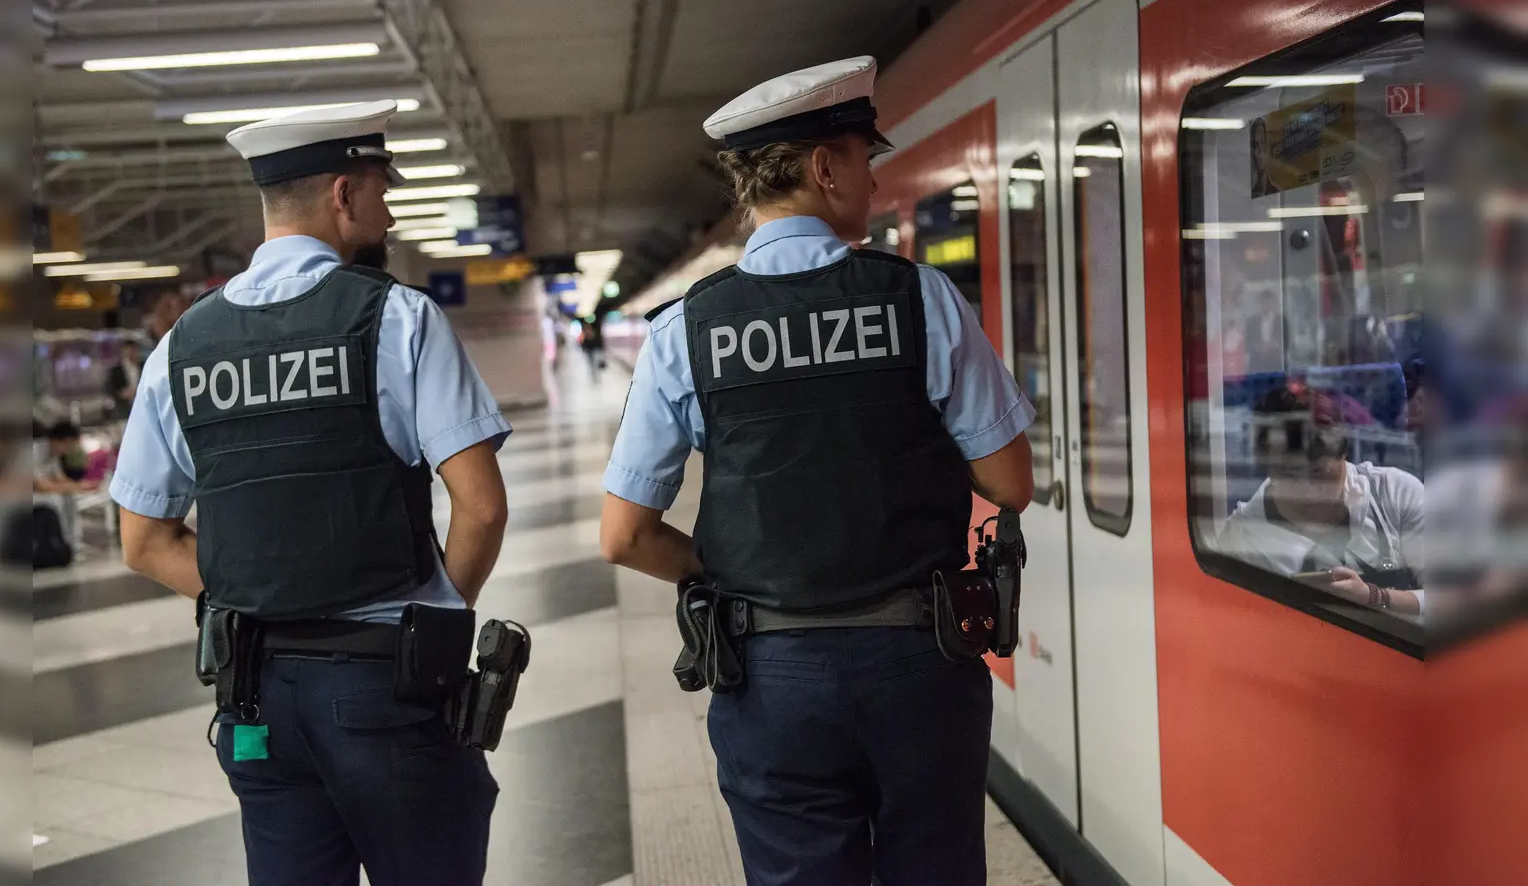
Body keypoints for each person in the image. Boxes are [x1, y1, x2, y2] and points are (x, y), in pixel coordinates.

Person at [598, 57, 1036, 885]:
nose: (874, 179)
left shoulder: (686, 329)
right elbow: (1011, 484)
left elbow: (623, 536)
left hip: (770, 676)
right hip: (919, 660)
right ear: (823, 167)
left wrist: (721, 570)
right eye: (864, 158)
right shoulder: (920, 299)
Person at [109, 101, 511, 886]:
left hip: (256, 697)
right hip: (382, 686)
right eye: (380, 186)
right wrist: (430, 617)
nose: (389, 206)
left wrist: (268, 592)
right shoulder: (397, 319)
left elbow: (143, 541)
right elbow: (483, 505)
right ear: (343, 194)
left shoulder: (180, 348)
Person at [1216, 384, 1424, 617]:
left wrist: (1375, 597)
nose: (1306, 489)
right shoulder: (1239, 540)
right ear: (1268, 469)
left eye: (1318, 472)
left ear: (1343, 454)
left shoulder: (1396, 494)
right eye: (1290, 475)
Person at [106, 340, 141, 422]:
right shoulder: (116, 370)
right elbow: (110, 388)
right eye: (128, 351)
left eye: (133, 351)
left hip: (141, 406)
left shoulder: (143, 366)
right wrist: (123, 393)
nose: (130, 353)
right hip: (123, 409)